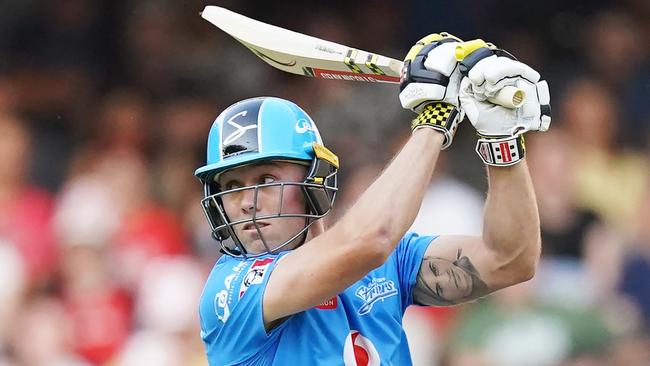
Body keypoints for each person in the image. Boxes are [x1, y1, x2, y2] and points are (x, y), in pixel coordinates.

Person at [195, 33, 551, 365]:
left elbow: (510, 259)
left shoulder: (392, 262)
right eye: (232, 186)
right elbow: (370, 240)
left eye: (265, 180)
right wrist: (436, 118)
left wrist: (501, 140)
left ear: (314, 182)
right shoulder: (230, 292)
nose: (245, 201)